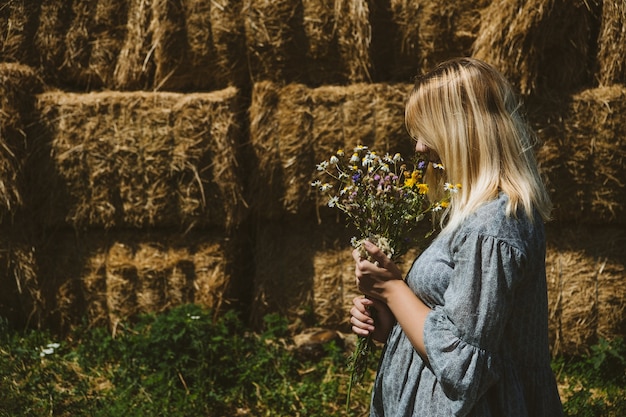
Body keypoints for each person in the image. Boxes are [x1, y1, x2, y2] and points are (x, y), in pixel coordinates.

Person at [350, 57, 564, 416]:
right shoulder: (478, 218)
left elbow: (462, 365)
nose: (418, 147)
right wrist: (392, 324)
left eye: (426, 130)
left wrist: (393, 288)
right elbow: (458, 333)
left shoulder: (493, 226)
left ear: (463, 130)